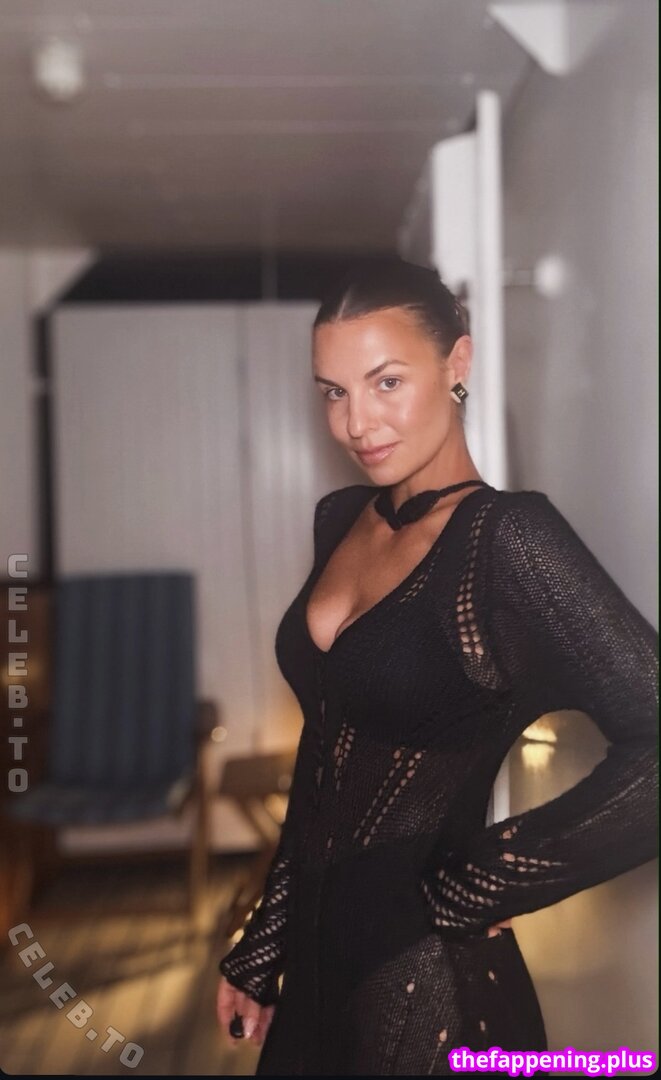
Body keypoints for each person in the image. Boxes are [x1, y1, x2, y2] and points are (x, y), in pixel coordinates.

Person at [216, 257, 658, 1075]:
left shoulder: (507, 540)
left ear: (457, 362)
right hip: (314, 962)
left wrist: (490, 880)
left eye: (386, 382)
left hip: (425, 979)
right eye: (333, 392)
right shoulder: (341, 519)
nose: (356, 422)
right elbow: (325, 752)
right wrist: (263, 942)